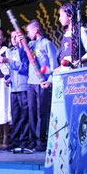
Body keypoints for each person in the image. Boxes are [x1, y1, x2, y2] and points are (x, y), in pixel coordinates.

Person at [24, 19, 58, 151]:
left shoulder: (47, 44)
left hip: (42, 83)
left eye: (28, 32)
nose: (27, 35)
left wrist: (49, 80)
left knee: (41, 113)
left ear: (36, 30)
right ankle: (32, 140)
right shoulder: (30, 45)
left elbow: (53, 64)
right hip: (31, 83)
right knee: (31, 111)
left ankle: (41, 141)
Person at [0, 29, 30, 150]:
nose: (13, 39)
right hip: (13, 89)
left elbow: (24, 67)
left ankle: (25, 140)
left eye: (16, 36)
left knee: (24, 115)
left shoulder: (25, 50)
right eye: (12, 37)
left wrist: (8, 61)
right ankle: (16, 139)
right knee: (15, 115)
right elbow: (9, 69)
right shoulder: (11, 51)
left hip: (23, 86)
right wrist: (8, 77)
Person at [58, 2, 87, 69]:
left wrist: (78, 62)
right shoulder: (66, 34)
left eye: (61, 16)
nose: (59, 18)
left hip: (78, 73)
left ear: (70, 16)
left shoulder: (81, 31)